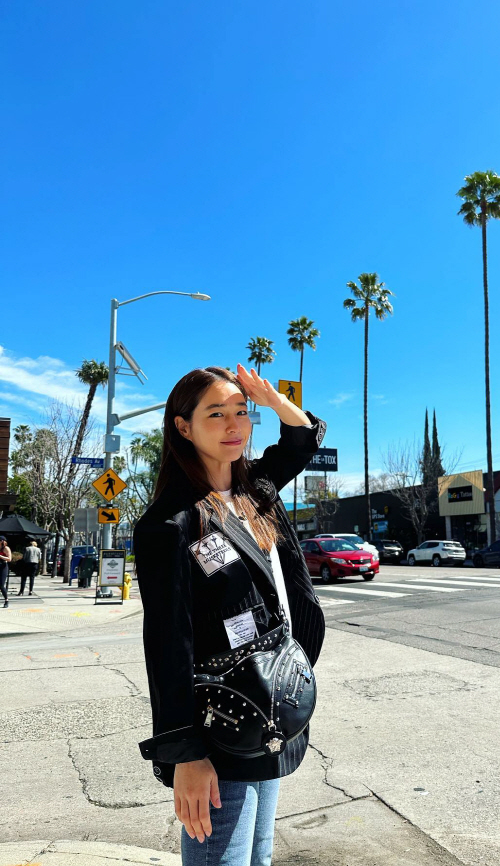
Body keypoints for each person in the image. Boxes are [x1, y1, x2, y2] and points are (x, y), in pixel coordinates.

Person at [134, 365, 326, 866]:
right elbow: (166, 645)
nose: (233, 424)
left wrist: (274, 399)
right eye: (216, 413)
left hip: (271, 708)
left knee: (259, 857)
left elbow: (301, 439)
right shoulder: (169, 524)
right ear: (182, 426)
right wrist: (186, 754)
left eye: (241, 412)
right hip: (218, 724)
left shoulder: (254, 490)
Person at [0, 536, 11, 608]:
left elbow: (9, 559)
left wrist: (0, 556)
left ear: (2, 541)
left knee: (1, 584)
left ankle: (6, 600)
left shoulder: (6, 548)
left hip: (3, 567)